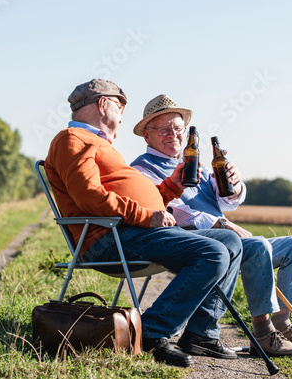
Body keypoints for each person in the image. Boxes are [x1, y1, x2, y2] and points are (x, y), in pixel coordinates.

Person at [45, 79, 243, 367]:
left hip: (131, 231)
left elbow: (129, 195)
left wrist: (170, 189)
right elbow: (89, 196)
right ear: (104, 104)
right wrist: (147, 216)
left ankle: (202, 333)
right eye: (119, 107)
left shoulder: (99, 145)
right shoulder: (72, 139)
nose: (122, 117)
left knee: (230, 242)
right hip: (108, 237)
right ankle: (152, 332)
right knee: (212, 252)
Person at [131, 94, 292, 357]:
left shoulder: (199, 166)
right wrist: (220, 223)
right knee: (258, 244)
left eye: (178, 128)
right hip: (191, 244)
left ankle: (281, 324)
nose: (173, 134)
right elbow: (170, 209)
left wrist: (235, 184)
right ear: (147, 136)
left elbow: (227, 201)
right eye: (164, 129)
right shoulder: (141, 169)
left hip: (227, 239)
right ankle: (262, 334)